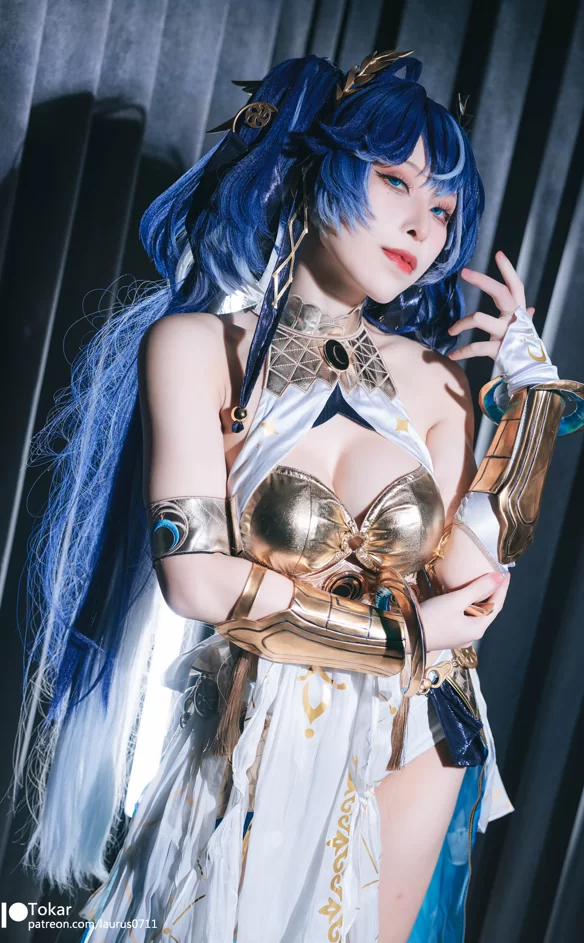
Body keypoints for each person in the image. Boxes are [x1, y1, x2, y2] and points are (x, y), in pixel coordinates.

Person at [15, 50, 584, 943]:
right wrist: (405, 635)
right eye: (394, 180)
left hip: (414, 732)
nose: (422, 224)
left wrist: (535, 402)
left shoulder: (440, 381)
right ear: (315, 168)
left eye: (443, 208)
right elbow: (195, 580)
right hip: (254, 723)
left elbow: (472, 578)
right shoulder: (197, 347)